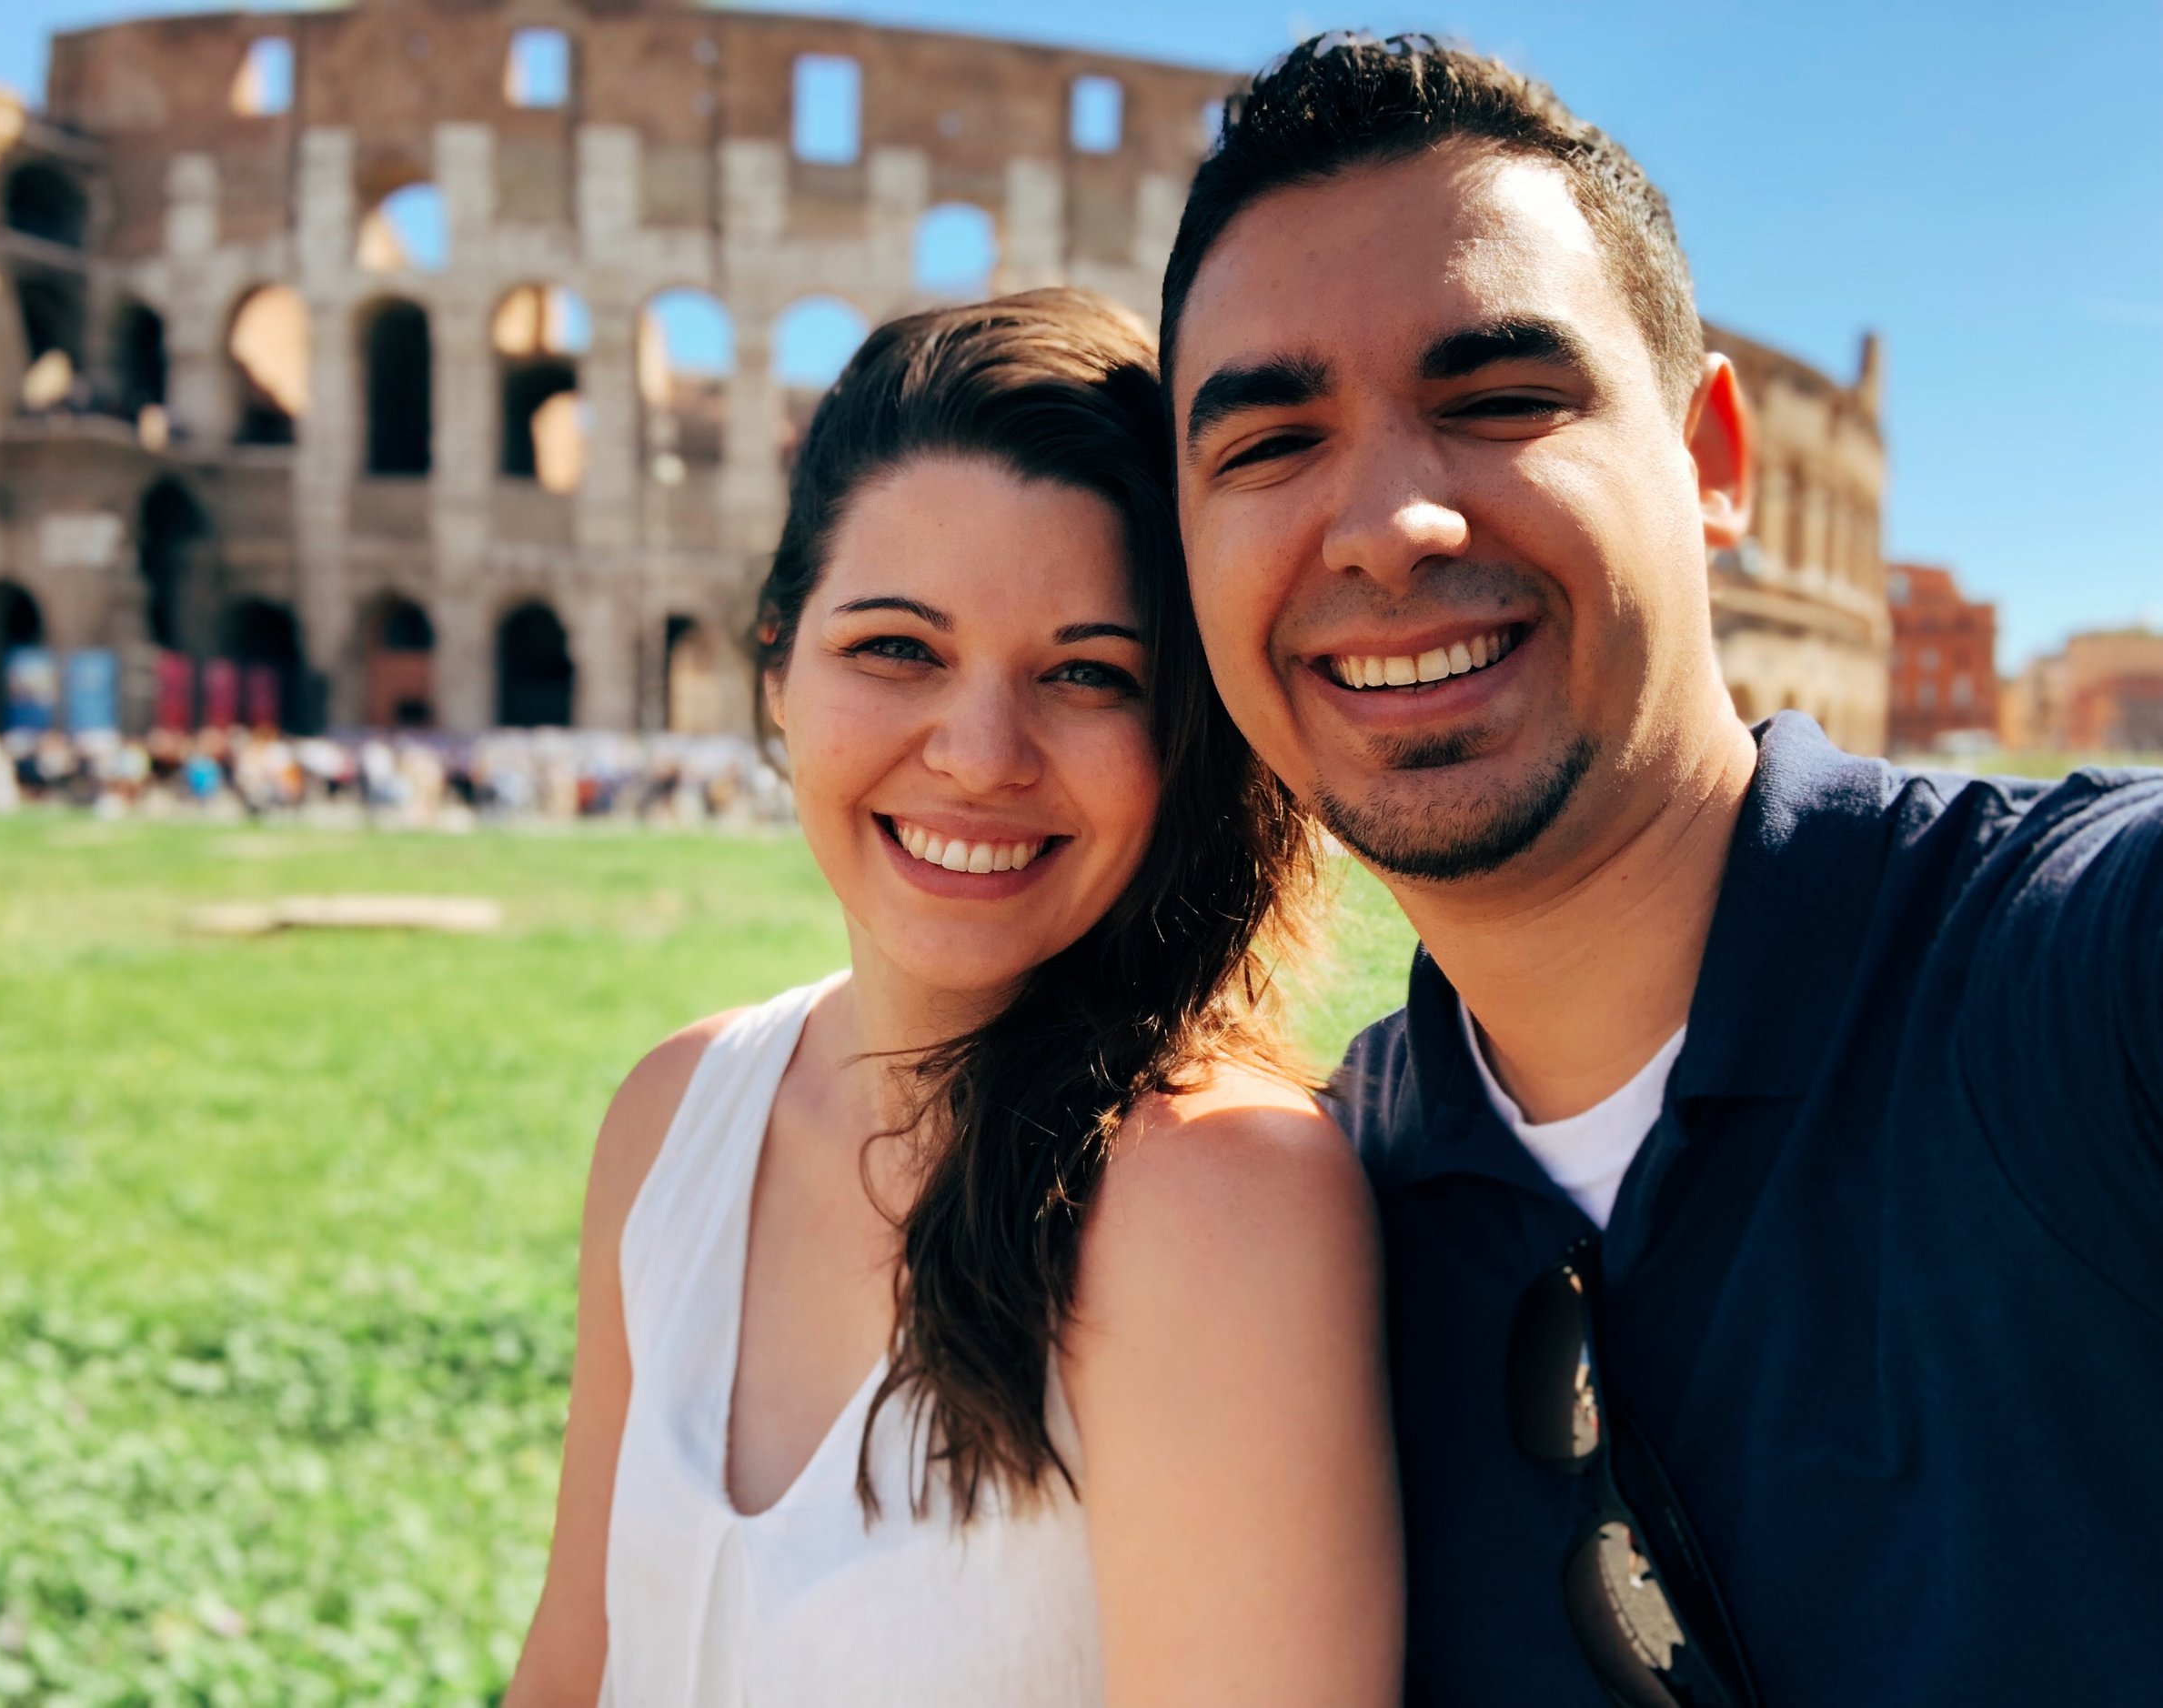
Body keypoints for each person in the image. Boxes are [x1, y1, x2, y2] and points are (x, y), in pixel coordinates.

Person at [1161, 33, 2163, 1708]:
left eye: (1499, 401)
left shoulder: (2072, 976)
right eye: (1267, 444)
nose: (1388, 523)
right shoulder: (1314, 1220)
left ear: (1713, 461)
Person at [506, 289, 1403, 1707]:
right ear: (777, 664)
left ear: (1182, 731)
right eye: (898, 648)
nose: (982, 754)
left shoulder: (1213, 1191)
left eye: (1087, 673)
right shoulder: (673, 1115)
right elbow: (574, 1663)